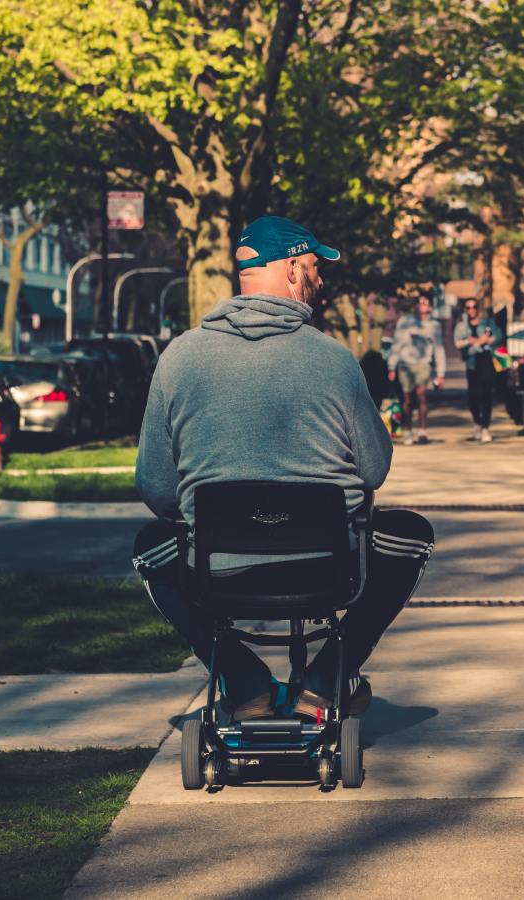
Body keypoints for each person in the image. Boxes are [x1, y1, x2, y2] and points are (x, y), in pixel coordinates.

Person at [134, 215, 434, 722]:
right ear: (293, 270)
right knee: (412, 535)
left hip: (218, 570)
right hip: (326, 567)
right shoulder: (335, 361)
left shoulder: (178, 357)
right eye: (316, 268)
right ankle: (326, 678)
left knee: (150, 548)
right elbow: (375, 469)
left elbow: (156, 487)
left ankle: (244, 680)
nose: (321, 280)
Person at [387, 294, 446, 445]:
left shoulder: (434, 326)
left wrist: (440, 373)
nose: (422, 305)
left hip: (422, 364)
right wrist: (391, 366)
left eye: (425, 303)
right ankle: (407, 431)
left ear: (430, 307)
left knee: (421, 395)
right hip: (404, 364)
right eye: (419, 302)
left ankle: (423, 430)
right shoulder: (405, 321)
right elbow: (397, 343)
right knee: (407, 400)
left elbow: (439, 349)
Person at [452, 298, 500, 442]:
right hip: (472, 363)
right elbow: (457, 343)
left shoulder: (487, 322)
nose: (471, 309)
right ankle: (476, 424)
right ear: (465, 310)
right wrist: (473, 342)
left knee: (486, 394)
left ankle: (485, 427)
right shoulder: (461, 326)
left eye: (474, 306)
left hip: (486, 361)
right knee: (473, 395)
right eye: (468, 307)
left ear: (477, 308)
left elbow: (498, 335)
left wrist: (487, 340)